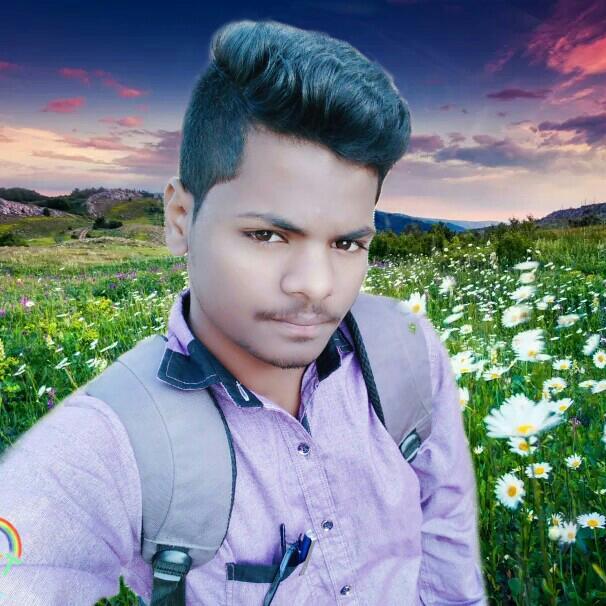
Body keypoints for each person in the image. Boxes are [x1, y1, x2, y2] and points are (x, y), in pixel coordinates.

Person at [0, 19, 487, 605]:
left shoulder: (408, 351)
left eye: (346, 243)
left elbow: (447, 540)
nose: (316, 286)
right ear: (180, 219)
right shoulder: (106, 444)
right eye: (268, 235)